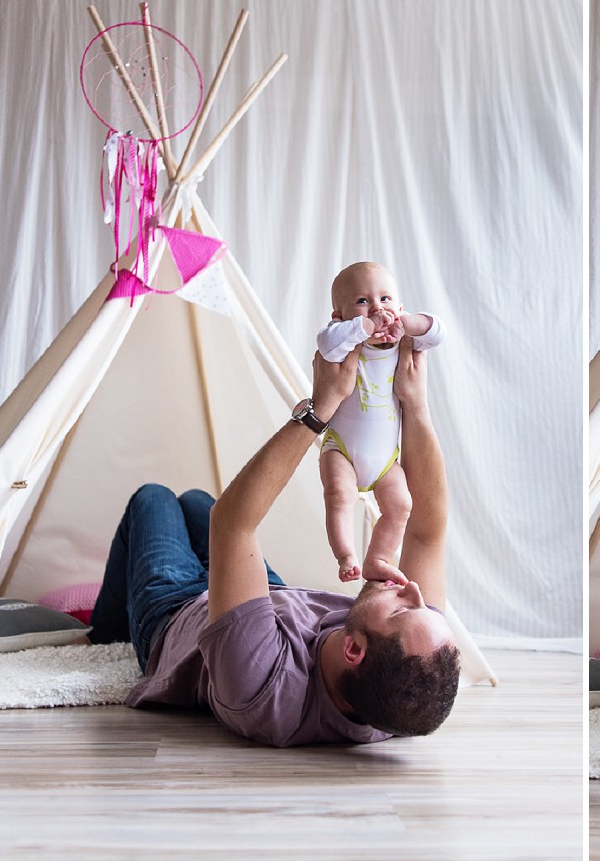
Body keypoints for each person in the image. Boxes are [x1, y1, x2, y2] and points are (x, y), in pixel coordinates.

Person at [90, 336, 461, 747]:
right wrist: (416, 404)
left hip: (175, 610)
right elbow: (428, 528)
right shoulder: (399, 693)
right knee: (196, 501)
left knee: (154, 497)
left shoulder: (263, 686)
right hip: (269, 597)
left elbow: (232, 524)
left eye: (401, 609)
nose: (411, 589)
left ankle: (103, 632)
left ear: (354, 652)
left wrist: (321, 408)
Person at [317, 260, 445, 582]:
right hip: (342, 451)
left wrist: (408, 323)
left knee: (401, 506)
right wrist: (364, 328)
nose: (377, 307)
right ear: (340, 317)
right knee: (338, 495)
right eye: (362, 301)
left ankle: (378, 558)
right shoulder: (345, 346)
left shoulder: (404, 342)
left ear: (399, 307)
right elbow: (326, 343)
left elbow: (437, 332)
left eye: (385, 299)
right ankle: (346, 554)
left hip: (386, 461)